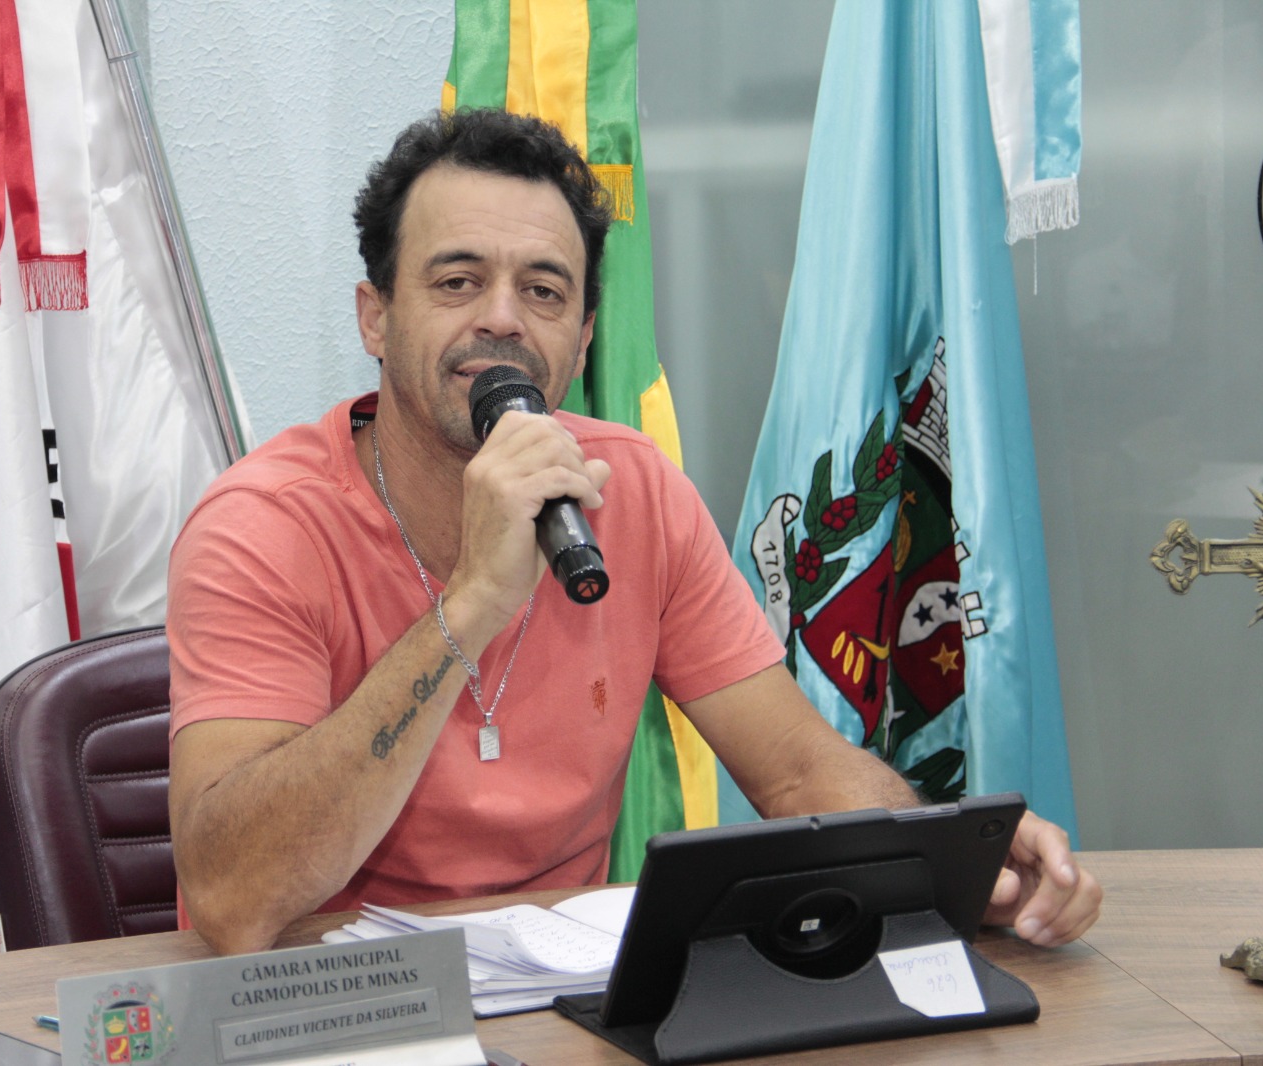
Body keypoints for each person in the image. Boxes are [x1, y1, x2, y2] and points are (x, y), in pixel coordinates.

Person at [166, 108, 1101, 957]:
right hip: (327, 1006)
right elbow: (235, 900)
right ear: (376, 317)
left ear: (581, 340)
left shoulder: (633, 490)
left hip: (557, 1002)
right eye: (458, 281)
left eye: (544, 291)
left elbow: (796, 771)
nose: (502, 319)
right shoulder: (262, 526)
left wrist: (948, 863)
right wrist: (474, 602)